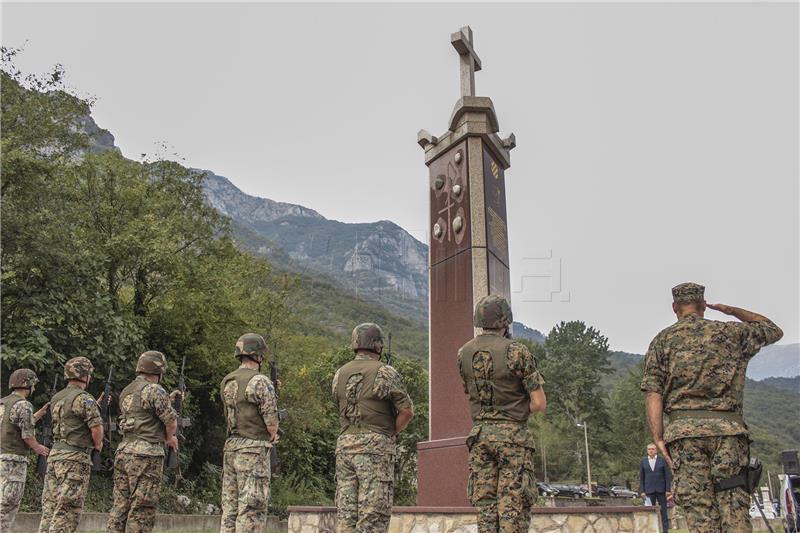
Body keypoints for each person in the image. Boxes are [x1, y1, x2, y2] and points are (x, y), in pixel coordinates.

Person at [641, 282, 783, 533]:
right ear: (703, 306)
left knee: (699, 509)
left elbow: (653, 392)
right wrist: (729, 310)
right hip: (728, 433)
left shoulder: (662, 341)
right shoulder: (729, 333)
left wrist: (658, 436)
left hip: (685, 436)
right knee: (733, 505)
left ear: (674, 307)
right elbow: (771, 329)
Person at [458, 294, 546, 533]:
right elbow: (539, 403)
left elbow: (472, 393)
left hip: (479, 438)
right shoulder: (517, 352)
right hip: (512, 439)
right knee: (512, 510)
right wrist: (516, 408)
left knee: (486, 511)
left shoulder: (463, 353)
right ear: (505, 320)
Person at [332, 323, 414, 533]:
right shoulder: (385, 372)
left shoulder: (339, 374)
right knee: (373, 515)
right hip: (375, 447)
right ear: (377, 345)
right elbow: (406, 411)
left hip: (344, 446)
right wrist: (390, 433)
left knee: (346, 516)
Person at [107, 351, 183, 533]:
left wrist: (169, 400)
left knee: (120, 506)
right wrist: (168, 439)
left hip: (124, 451)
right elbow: (171, 423)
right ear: (159, 371)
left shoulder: (127, 390)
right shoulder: (156, 390)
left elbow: (142, 412)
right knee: (143, 508)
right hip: (146, 454)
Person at [219, 334, 279, 533]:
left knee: (230, 508)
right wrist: (273, 433)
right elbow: (271, 422)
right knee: (252, 508)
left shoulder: (228, 380)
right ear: (258, 355)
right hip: (253, 449)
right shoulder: (261, 381)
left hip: (231, 447)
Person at [38, 357, 104, 533]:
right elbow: (96, 429)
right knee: (68, 510)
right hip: (75, 458)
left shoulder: (57, 397)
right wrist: (98, 445)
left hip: (55, 456)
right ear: (86, 375)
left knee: (50, 509)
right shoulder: (84, 398)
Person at [0, 369, 51, 533]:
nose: (34, 388)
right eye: (33, 385)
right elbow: (27, 435)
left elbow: (14, 424)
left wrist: (40, 414)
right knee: (8, 505)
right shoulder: (24, 405)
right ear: (27, 385)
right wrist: (39, 448)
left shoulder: (3, 403)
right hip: (14, 462)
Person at [639, 442, 673, 532]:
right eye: (649, 449)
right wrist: (642, 491)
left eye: (653, 449)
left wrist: (668, 490)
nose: (651, 451)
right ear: (647, 451)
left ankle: (665, 531)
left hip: (661, 490)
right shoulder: (643, 461)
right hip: (648, 491)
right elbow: (641, 478)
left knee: (664, 513)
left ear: (656, 450)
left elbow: (667, 476)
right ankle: (652, 530)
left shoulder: (662, 460)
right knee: (650, 512)